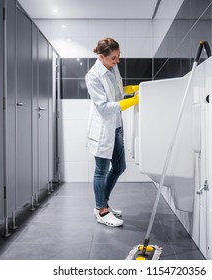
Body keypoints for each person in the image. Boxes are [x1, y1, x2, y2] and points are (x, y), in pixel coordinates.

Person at [85, 38, 139, 227]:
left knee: (119, 167)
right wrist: (132, 102)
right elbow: (104, 106)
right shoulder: (93, 76)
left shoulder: (112, 68)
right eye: (114, 58)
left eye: (118, 56)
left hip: (116, 126)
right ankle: (102, 210)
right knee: (101, 170)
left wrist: (132, 90)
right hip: (102, 128)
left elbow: (116, 93)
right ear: (102, 57)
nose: (117, 61)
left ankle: (103, 203)